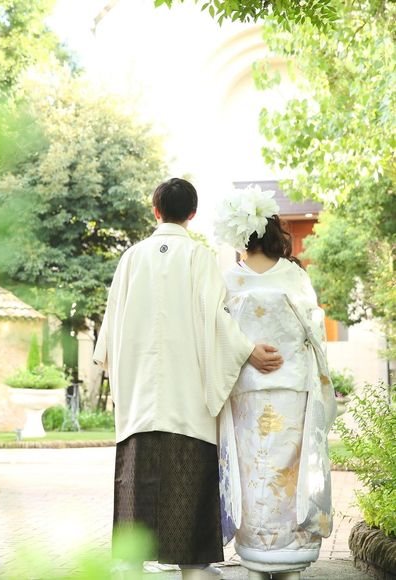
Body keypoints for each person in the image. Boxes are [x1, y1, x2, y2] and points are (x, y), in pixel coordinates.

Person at [93, 178, 284, 580]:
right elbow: (216, 319)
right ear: (192, 214)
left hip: (140, 395)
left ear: (155, 210)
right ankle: (192, 565)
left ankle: (129, 562)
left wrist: (115, 367)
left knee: (137, 474)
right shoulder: (199, 257)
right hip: (188, 394)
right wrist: (248, 349)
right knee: (187, 475)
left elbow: (110, 326)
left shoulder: (131, 258)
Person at [215, 186, 337, 580]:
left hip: (246, 395)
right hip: (292, 393)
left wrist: (247, 351)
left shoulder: (228, 281)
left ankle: (255, 557)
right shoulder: (294, 276)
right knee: (289, 474)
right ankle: (289, 560)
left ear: (239, 236)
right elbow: (315, 335)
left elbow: (216, 337)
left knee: (253, 474)